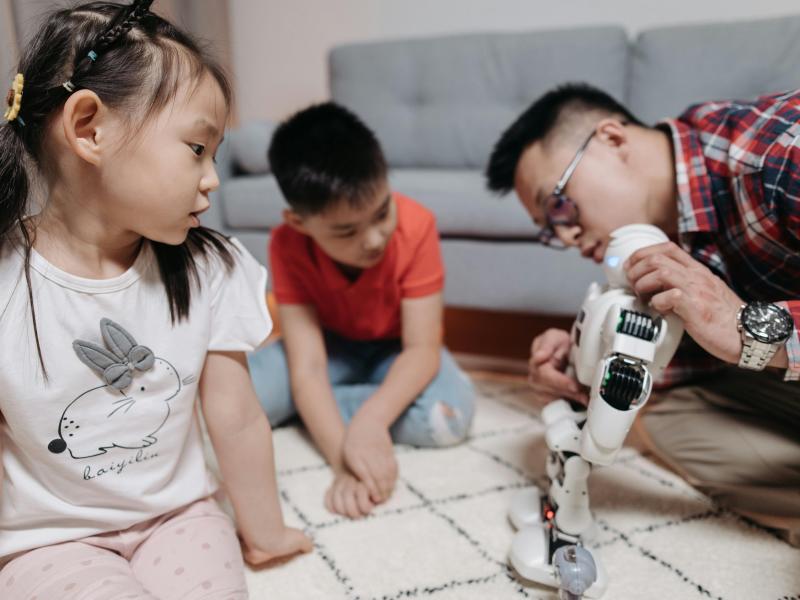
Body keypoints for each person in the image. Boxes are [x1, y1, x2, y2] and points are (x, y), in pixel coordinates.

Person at [0, 2, 312, 598]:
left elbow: (238, 419)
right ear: (90, 128)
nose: (212, 177)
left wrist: (265, 533)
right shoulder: (8, 280)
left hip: (179, 518)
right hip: (49, 540)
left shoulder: (209, 267)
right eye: (197, 148)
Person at [485, 82, 800, 546]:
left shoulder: (781, 152)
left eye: (557, 206)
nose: (568, 238)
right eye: (551, 231)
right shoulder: (658, 245)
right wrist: (582, 362)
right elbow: (677, 366)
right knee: (668, 411)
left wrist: (751, 331)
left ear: (611, 139)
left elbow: (737, 335)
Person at [248, 102, 475, 520]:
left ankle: (316, 410)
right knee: (240, 399)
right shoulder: (285, 243)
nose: (373, 239)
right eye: (346, 231)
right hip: (330, 351)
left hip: (397, 352)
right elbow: (309, 365)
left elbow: (422, 350)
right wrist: (344, 460)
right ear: (299, 223)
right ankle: (320, 410)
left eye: (382, 213)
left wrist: (370, 422)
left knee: (448, 419)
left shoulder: (417, 224)